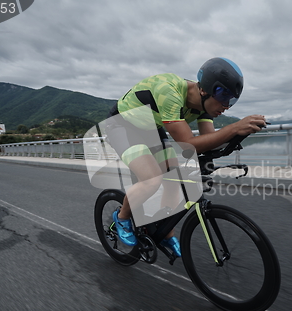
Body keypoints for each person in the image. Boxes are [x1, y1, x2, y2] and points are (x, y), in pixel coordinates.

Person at [107, 57, 267, 257]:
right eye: (224, 95)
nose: (226, 105)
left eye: (232, 101)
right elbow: (188, 144)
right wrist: (234, 126)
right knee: (152, 179)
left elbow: (209, 141)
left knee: (175, 181)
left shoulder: (204, 107)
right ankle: (122, 217)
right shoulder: (170, 92)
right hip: (123, 125)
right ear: (204, 89)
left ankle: (165, 233)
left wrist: (239, 134)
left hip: (151, 128)